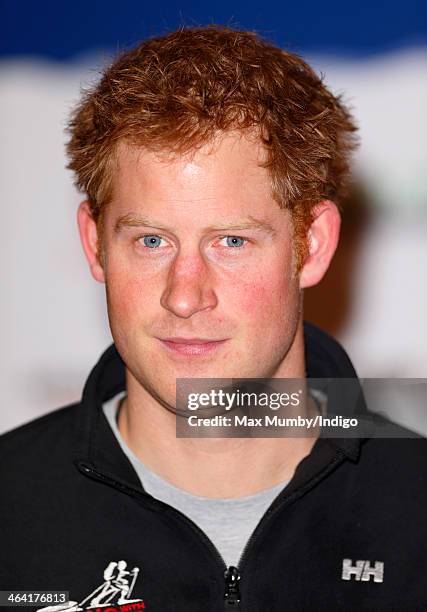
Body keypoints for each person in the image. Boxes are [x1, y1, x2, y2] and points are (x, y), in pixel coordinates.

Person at [0, 26, 425, 612]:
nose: (185, 295)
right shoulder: (11, 510)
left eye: (230, 241)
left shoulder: (416, 509)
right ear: (96, 245)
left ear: (314, 245)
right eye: (151, 240)